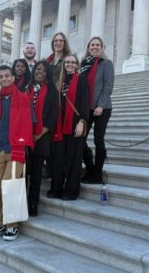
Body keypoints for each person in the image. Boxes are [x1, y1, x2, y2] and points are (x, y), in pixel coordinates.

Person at [0, 65, 34, 241]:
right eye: (0, 76)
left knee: (11, 187)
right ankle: (1, 222)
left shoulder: (23, 98)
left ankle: (12, 226)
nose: (4, 79)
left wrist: (22, 144)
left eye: (7, 75)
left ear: (13, 77)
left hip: (16, 150)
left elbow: (30, 123)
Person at [48, 54, 89, 200]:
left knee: (73, 160)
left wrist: (82, 122)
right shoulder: (59, 80)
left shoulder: (82, 80)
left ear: (77, 65)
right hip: (59, 126)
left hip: (75, 125)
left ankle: (71, 192)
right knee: (58, 159)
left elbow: (85, 101)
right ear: (64, 64)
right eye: (67, 62)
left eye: (73, 62)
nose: (70, 64)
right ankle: (56, 189)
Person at [80, 36, 114, 184]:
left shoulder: (107, 63)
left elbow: (108, 86)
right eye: (92, 45)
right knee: (80, 139)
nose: (94, 47)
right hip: (86, 107)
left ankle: (97, 173)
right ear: (88, 48)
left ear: (102, 47)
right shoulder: (83, 65)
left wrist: (100, 105)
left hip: (103, 108)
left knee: (98, 139)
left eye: (97, 45)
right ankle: (90, 166)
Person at [26, 60, 58, 216]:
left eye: (44, 70)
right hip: (24, 137)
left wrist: (39, 133)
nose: (40, 72)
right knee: (24, 173)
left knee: (37, 173)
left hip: (42, 137)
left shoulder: (52, 91)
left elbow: (53, 115)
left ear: (48, 74)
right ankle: (21, 203)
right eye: (38, 69)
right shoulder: (27, 89)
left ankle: (33, 204)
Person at [44, 32, 72, 179]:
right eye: (56, 41)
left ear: (65, 43)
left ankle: (64, 167)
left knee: (61, 137)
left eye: (61, 41)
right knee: (48, 135)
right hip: (48, 100)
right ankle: (49, 166)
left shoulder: (68, 60)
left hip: (63, 101)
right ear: (53, 43)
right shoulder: (47, 61)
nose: (58, 43)